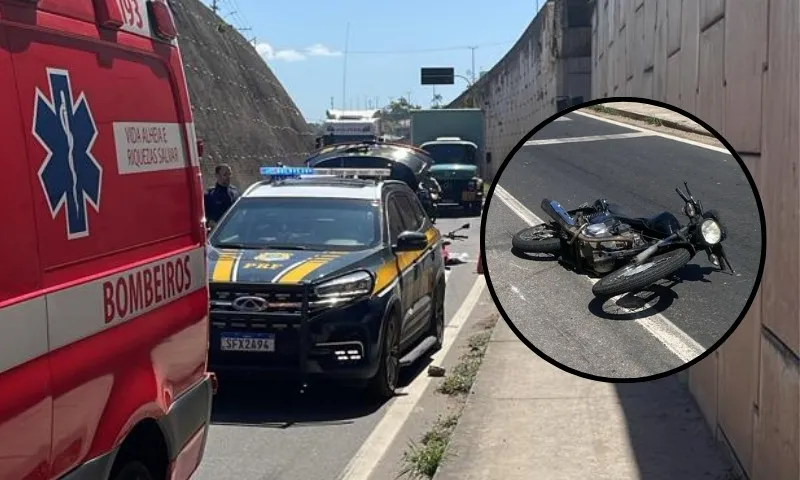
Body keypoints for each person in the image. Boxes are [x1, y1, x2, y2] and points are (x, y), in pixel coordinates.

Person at [204, 163, 239, 229]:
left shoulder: (235, 192)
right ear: (217, 176)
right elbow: (203, 216)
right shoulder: (209, 195)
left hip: (235, 230)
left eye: (229, 174)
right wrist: (210, 222)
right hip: (218, 233)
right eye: (225, 174)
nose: (228, 177)